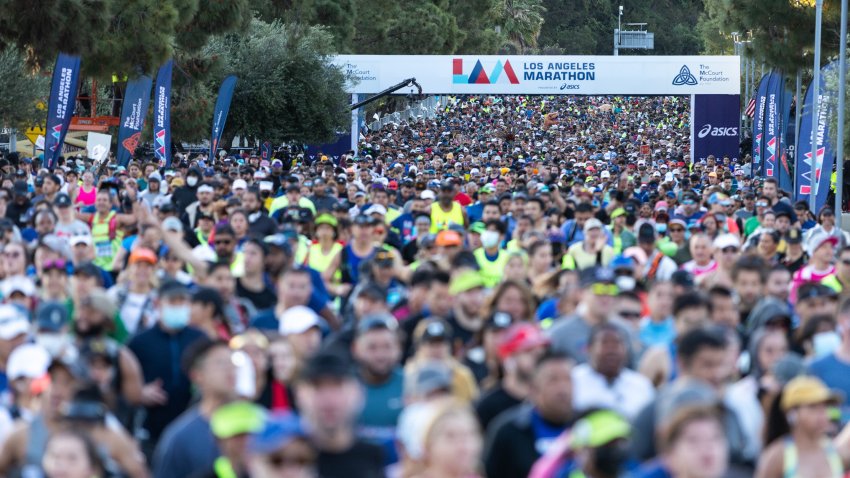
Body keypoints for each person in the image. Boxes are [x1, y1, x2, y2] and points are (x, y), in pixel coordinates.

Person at [129, 280, 206, 455]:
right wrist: (140, 392)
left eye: (183, 301)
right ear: (158, 303)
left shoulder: (200, 340)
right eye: (173, 301)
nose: (179, 306)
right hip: (151, 430)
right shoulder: (140, 342)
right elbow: (124, 382)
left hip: (194, 426)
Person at [483, 351, 574, 478]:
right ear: (534, 388)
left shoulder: (586, 426)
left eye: (568, 379)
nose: (562, 388)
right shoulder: (509, 431)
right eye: (553, 380)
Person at [295, 350, 385, 478]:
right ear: (300, 395)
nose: (328, 398)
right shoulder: (286, 459)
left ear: (357, 392)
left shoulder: (378, 456)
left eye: (337, 385)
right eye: (318, 387)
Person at [756, 375, 844, 478]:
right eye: (813, 407)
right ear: (792, 413)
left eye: (825, 406)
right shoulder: (778, 456)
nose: (822, 414)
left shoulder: (834, 451)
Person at [476, 322, 550, 431]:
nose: (537, 356)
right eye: (528, 351)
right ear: (509, 358)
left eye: (541, 352)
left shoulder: (549, 402)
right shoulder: (487, 406)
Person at [571, 323, 655, 419]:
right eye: (604, 343)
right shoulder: (573, 380)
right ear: (589, 349)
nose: (611, 350)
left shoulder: (641, 385)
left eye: (617, 343)